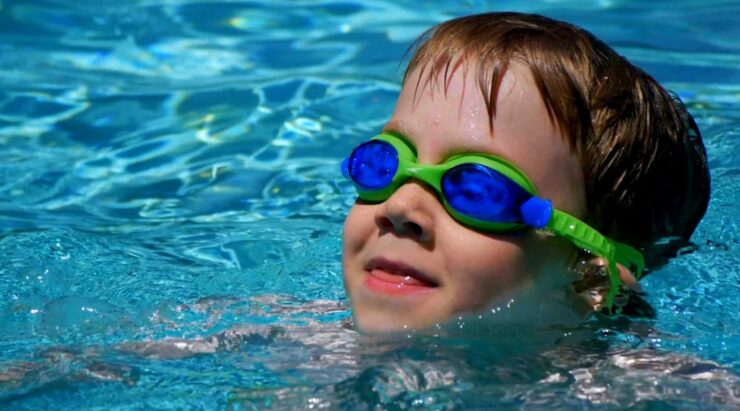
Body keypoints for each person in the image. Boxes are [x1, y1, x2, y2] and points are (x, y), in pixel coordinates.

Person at [341, 12, 710, 333]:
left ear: (596, 281)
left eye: (478, 189)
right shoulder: (293, 340)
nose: (399, 207)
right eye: (382, 163)